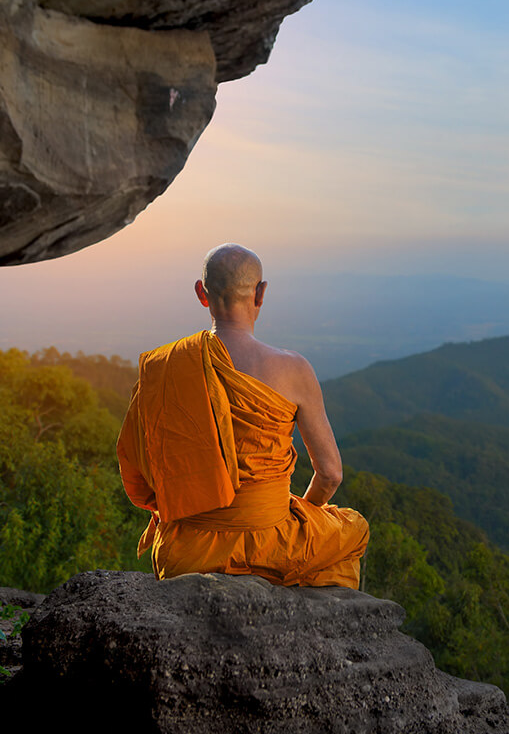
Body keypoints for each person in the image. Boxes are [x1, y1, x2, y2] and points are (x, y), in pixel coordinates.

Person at [117, 243, 369, 588]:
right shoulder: (293, 369)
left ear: (201, 293)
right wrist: (295, 513)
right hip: (272, 544)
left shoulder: (164, 368)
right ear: (260, 294)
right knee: (353, 528)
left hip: (188, 550)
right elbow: (330, 475)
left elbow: (140, 471)